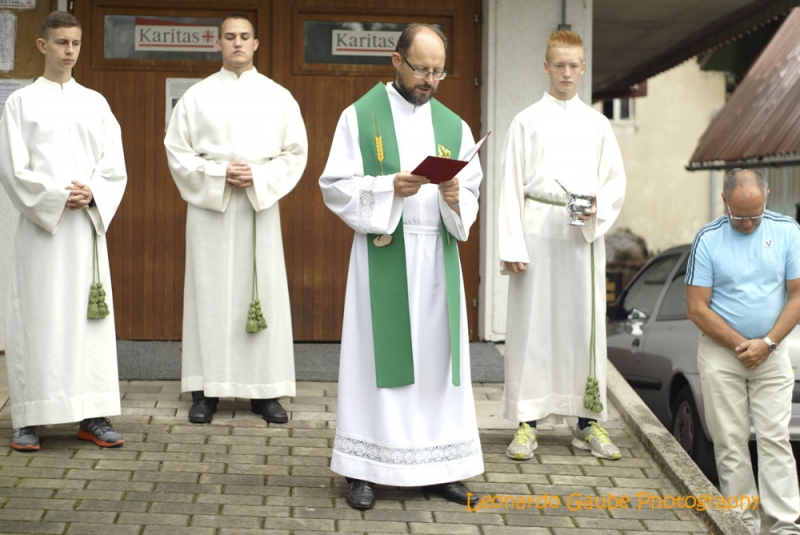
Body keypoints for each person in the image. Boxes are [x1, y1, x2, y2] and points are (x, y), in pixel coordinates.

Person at [319, 24, 483, 510]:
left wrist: (455, 197)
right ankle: (365, 469)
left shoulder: (455, 126)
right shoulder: (360, 116)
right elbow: (335, 185)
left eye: (438, 71)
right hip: (385, 251)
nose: (430, 80)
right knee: (377, 366)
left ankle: (439, 468)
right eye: (422, 69)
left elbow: (471, 192)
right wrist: (389, 186)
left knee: (435, 367)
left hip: (436, 259)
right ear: (396, 60)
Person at [164, 14, 307, 425]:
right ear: (218, 43)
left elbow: (295, 153)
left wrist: (258, 176)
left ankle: (265, 392)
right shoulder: (197, 97)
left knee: (261, 295)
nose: (238, 43)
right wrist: (217, 174)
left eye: (245, 37)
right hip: (212, 207)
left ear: (256, 43)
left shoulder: (279, 97)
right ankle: (205, 391)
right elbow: (177, 151)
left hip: (257, 207)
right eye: (230, 37)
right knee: (207, 294)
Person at [0, 11, 127, 451]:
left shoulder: (96, 103)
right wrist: (56, 196)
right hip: (43, 232)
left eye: (74, 43)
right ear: (42, 45)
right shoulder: (20, 103)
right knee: (39, 317)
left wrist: (93, 193)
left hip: (85, 230)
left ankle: (92, 415)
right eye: (60, 42)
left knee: (87, 323)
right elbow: (13, 169)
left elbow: (114, 164)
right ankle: (30, 417)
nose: (69, 51)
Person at [497, 29, 626, 462]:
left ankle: (587, 423)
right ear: (546, 66)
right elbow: (510, 184)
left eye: (573, 65)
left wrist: (598, 207)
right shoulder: (526, 120)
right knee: (531, 324)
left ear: (583, 68)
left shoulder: (598, 124)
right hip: (536, 229)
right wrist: (512, 245)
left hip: (579, 235)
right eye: (559, 65)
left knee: (582, 324)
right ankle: (526, 423)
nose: (566, 73)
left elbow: (615, 182)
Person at [686, 169, 800, 534]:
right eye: (739, 217)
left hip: (772, 351)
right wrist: (742, 345)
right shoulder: (707, 239)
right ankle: (744, 523)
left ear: (767, 196)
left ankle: (784, 526)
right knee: (730, 441)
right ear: (724, 201)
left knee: (775, 439)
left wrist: (767, 344)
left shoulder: (788, 232)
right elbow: (696, 307)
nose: (748, 223)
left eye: (755, 215)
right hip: (722, 355)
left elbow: (798, 294)